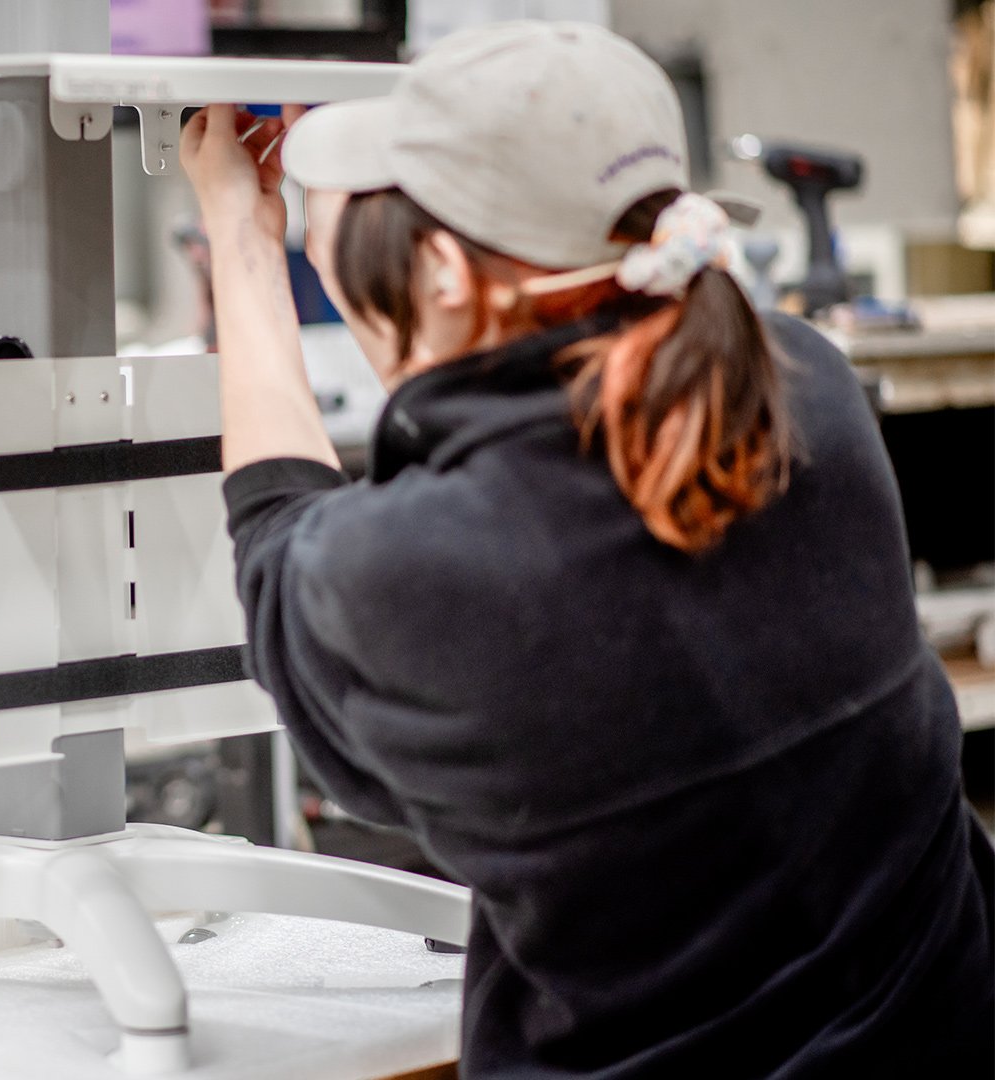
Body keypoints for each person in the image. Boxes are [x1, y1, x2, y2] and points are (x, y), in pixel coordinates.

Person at [180, 20, 995, 1077]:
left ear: (442, 275)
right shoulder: (806, 391)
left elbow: (285, 545)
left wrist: (243, 245)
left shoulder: (423, 571)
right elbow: (516, 429)